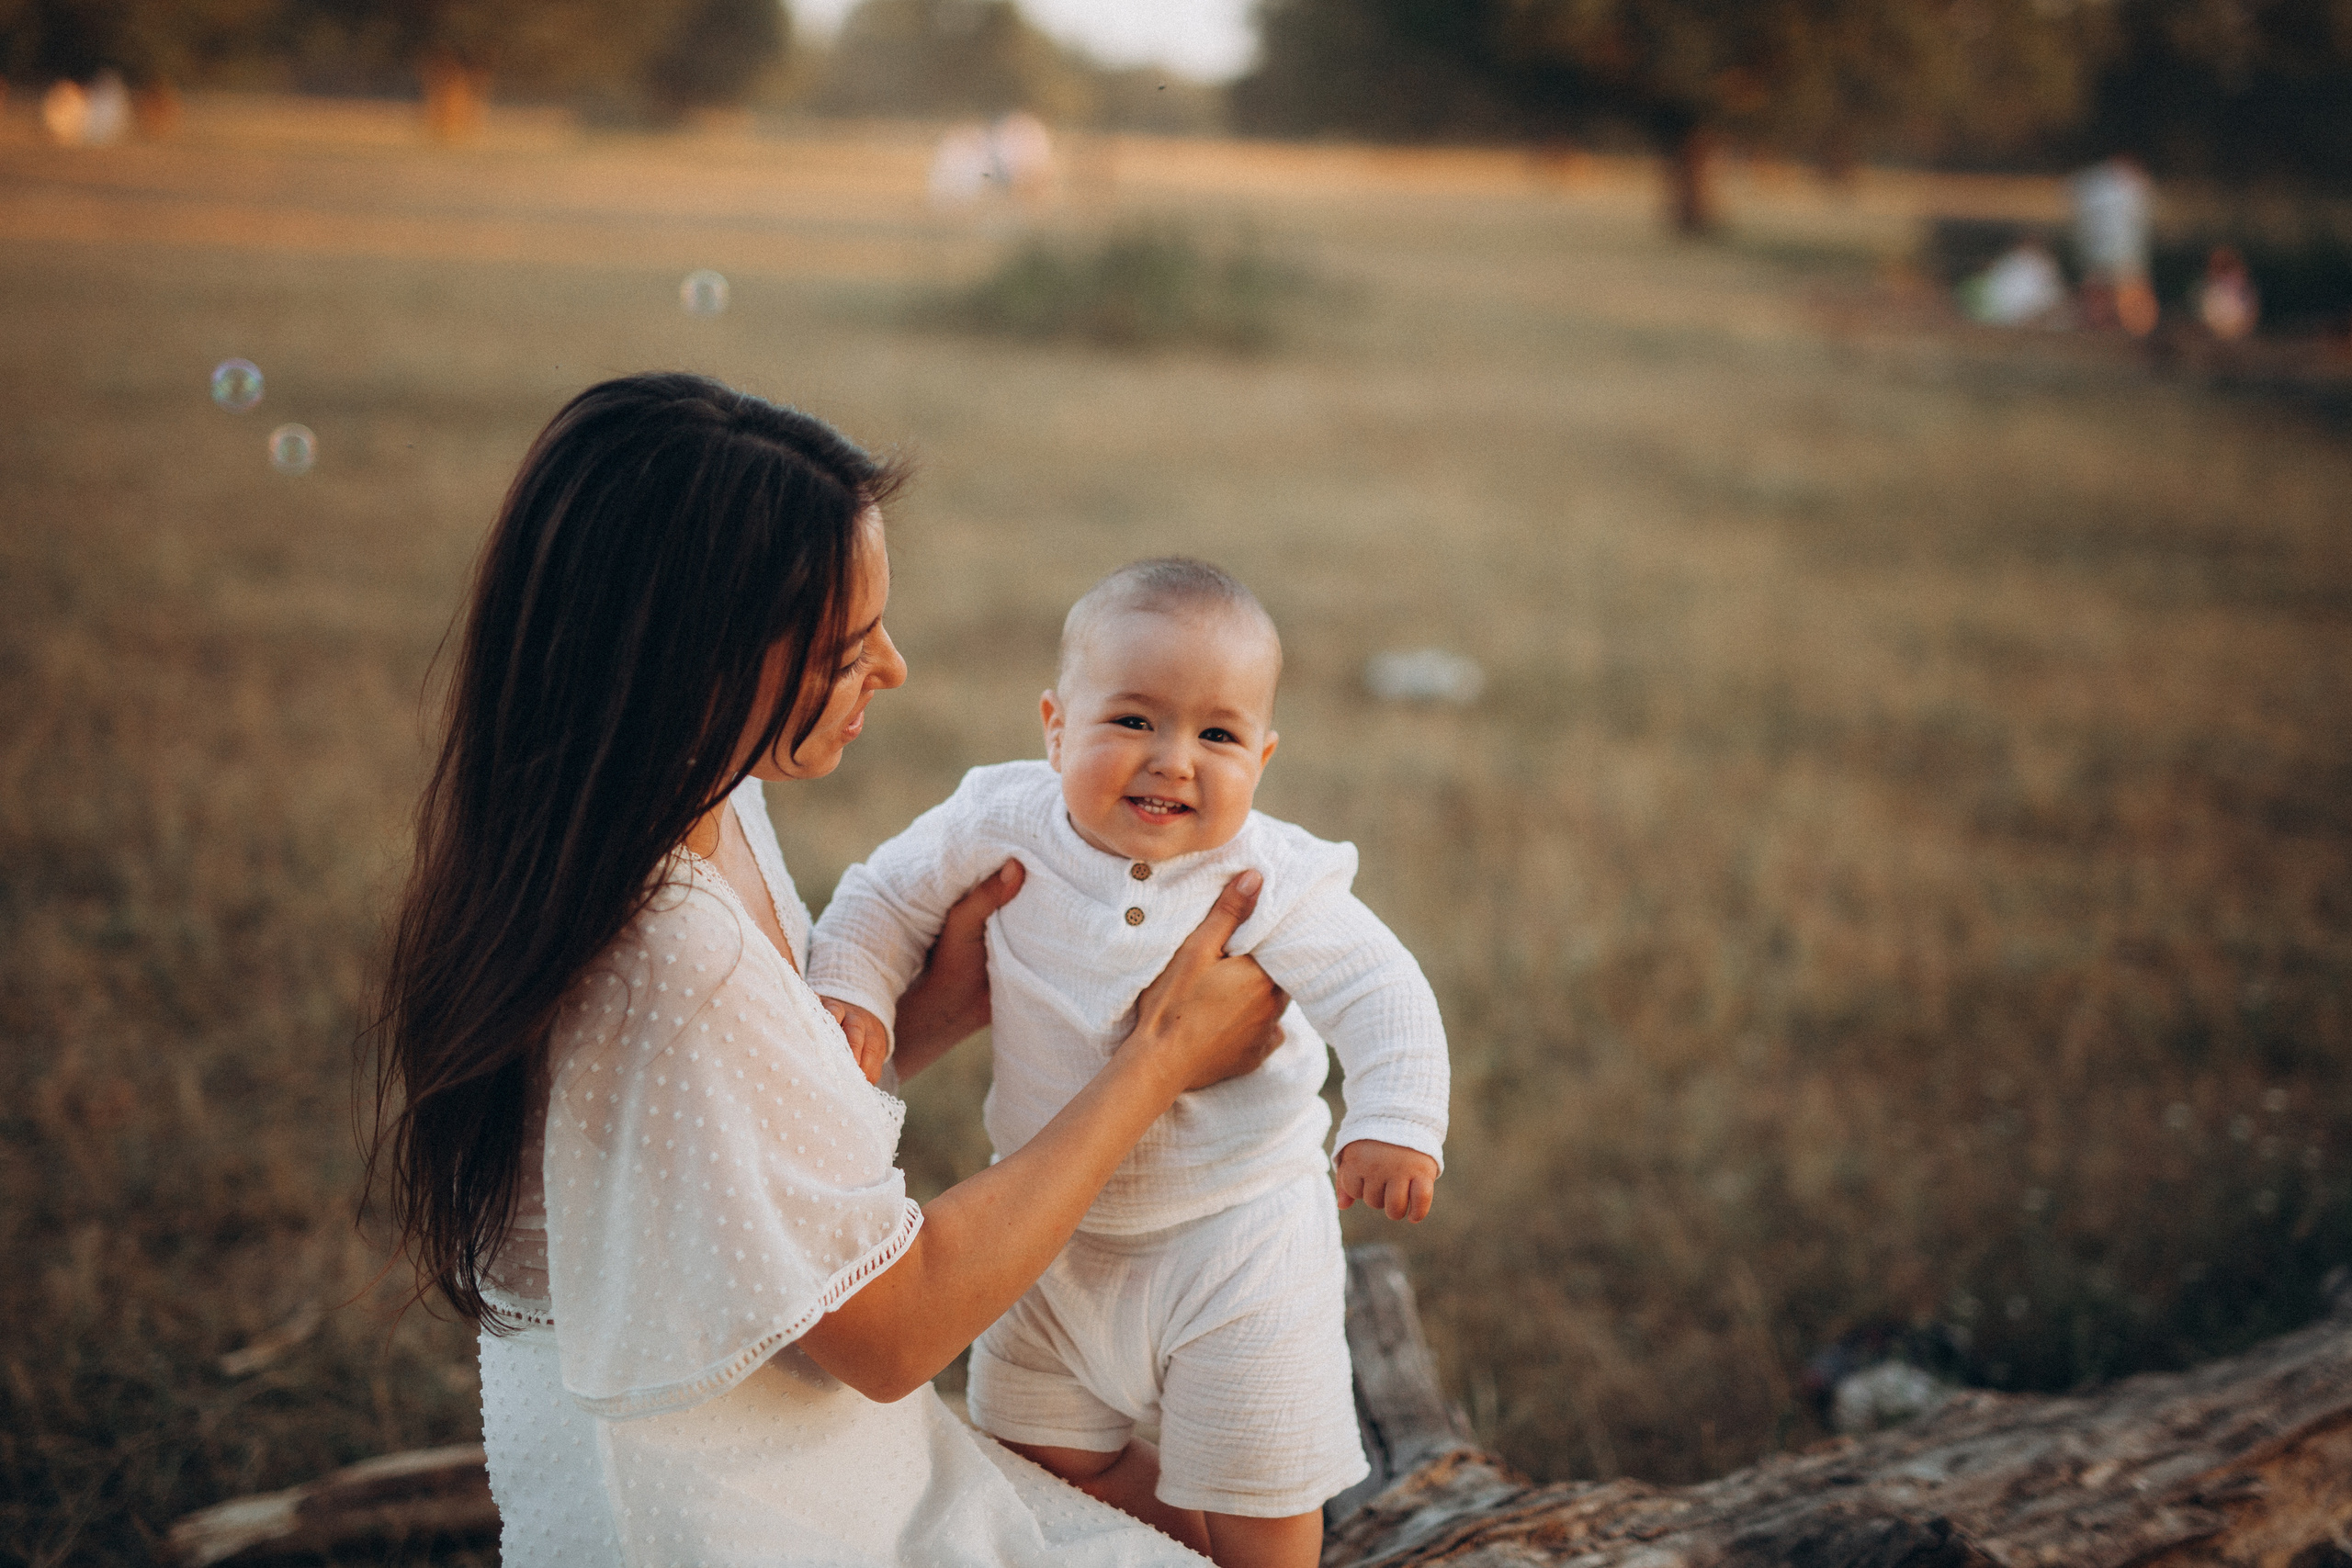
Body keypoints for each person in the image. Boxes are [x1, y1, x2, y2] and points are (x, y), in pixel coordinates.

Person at [369, 374, 1291, 1567]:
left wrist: (915, 1016)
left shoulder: (699, 805)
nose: (895, 670)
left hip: (838, 1470)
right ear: (695, 658)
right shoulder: (666, 947)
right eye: (850, 646)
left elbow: (709, 1132)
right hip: (741, 1518)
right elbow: (895, 1326)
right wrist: (1161, 1057)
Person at [810, 559, 1451, 1568]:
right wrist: (853, 989)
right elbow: (881, 897)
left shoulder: (1270, 874)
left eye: (1217, 735)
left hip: (1237, 1236)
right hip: (1047, 1233)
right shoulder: (1000, 818)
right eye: (1134, 721)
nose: (1173, 761)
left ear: (1264, 757)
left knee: (1261, 1494)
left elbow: (1380, 988)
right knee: (1044, 1459)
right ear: (1055, 725)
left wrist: (1395, 1120)